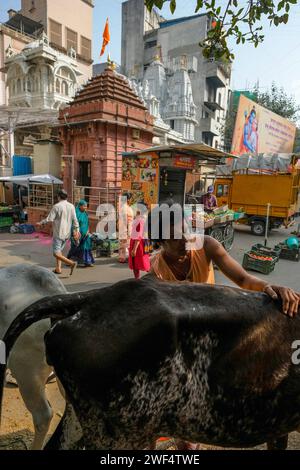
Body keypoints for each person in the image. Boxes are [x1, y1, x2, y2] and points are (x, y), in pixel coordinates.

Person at [148, 202, 300, 450]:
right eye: (175, 238)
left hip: (216, 334)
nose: (186, 240)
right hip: (185, 343)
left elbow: (242, 278)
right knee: (185, 434)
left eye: (187, 231)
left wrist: (270, 287)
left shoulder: (207, 245)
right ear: (159, 242)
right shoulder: (155, 272)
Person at [36, 189, 79, 275]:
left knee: (56, 253)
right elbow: (75, 220)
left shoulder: (57, 206)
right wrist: (76, 230)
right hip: (67, 233)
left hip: (58, 233)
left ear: (58, 197)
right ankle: (58, 268)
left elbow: (49, 219)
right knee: (59, 251)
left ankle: (71, 263)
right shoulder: (71, 206)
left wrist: (40, 223)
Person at [68, 200, 95, 267]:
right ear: (80, 206)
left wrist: (87, 230)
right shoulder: (76, 213)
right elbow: (74, 224)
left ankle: (87, 261)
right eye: (84, 206)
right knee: (75, 248)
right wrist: (75, 233)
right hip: (77, 234)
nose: (85, 207)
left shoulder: (85, 213)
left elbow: (87, 222)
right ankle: (69, 260)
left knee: (86, 246)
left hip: (85, 234)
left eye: (86, 206)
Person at [128, 210, 150, 279]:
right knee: (139, 262)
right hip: (136, 242)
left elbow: (139, 235)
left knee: (140, 262)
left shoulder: (140, 220)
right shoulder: (138, 219)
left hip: (138, 243)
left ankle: (138, 278)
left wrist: (134, 249)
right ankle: (137, 279)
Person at [119, 193, 134, 263]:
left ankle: (124, 257)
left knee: (126, 243)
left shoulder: (127, 207)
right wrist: (127, 230)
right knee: (124, 243)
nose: (131, 200)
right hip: (125, 228)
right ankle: (122, 258)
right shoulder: (125, 208)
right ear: (128, 199)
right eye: (130, 198)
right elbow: (125, 219)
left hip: (127, 227)